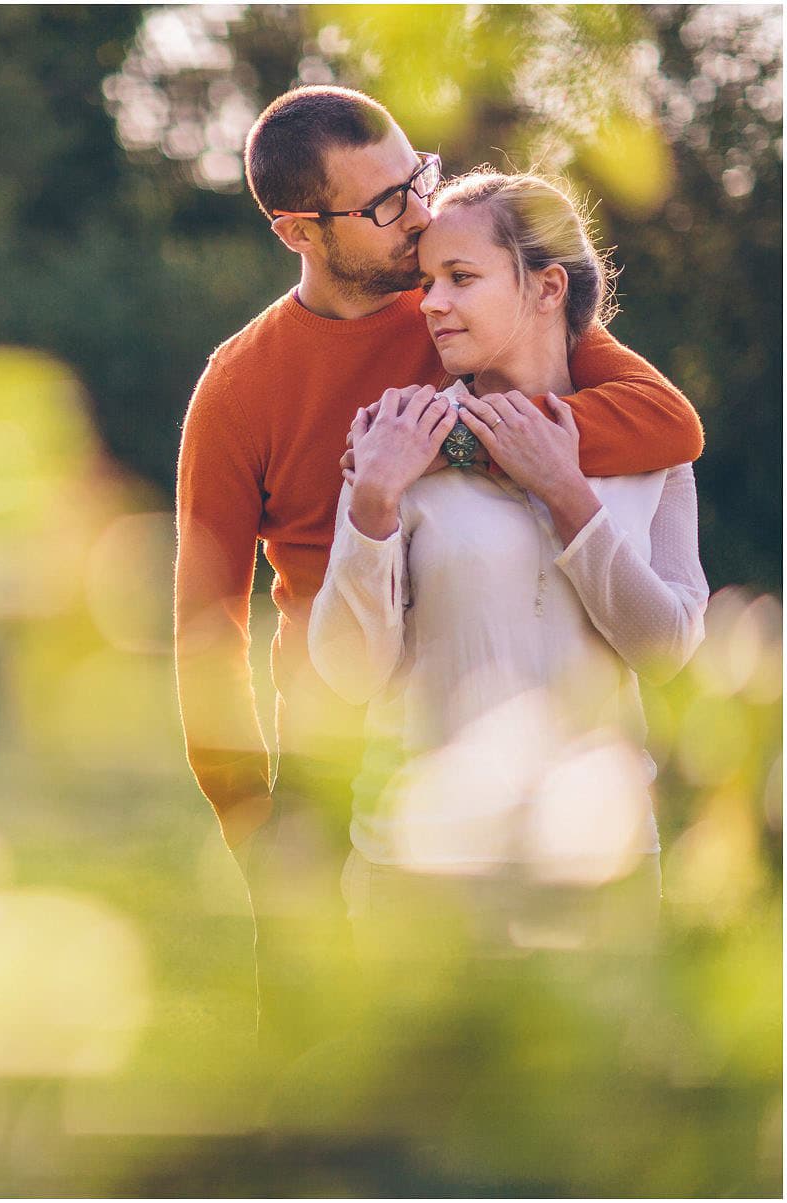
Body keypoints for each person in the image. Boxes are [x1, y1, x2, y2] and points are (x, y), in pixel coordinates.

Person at [172, 85, 703, 1060]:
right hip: (337, 762)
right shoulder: (240, 386)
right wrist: (258, 833)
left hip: (504, 749)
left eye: (419, 179)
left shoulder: (466, 307)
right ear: (298, 228)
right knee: (324, 1096)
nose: (418, 214)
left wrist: (463, 437)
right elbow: (204, 639)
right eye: (382, 206)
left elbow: (668, 425)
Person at [307, 169, 708, 956]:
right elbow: (348, 674)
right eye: (427, 282)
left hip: (599, 870)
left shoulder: (652, 456)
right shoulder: (402, 437)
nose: (430, 303)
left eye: (460, 278)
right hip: (418, 873)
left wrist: (566, 491)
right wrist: (373, 509)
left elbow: (667, 652)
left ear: (546, 286)